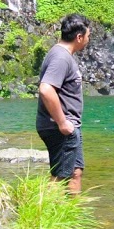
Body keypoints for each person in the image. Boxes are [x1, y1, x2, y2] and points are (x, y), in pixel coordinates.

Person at [36, 13, 91, 193]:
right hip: (60, 128)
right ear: (79, 37)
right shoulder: (61, 57)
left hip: (67, 127)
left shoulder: (61, 55)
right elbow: (46, 89)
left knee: (75, 172)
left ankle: (72, 217)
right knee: (61, 175)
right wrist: (62, 123)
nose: (88, 40)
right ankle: (43, 216)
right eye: (88, 36)